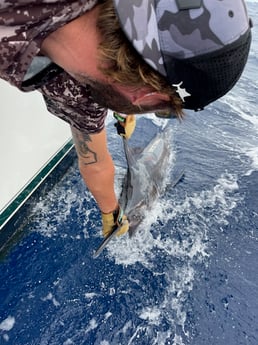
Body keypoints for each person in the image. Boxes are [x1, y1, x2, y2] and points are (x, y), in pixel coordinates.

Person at [0, 0, 252, 237]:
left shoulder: (80, 96)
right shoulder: (80, 99)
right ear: (145, 95)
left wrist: (119, 105)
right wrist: (113, 214)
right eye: (161, 109)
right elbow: (96, 166)